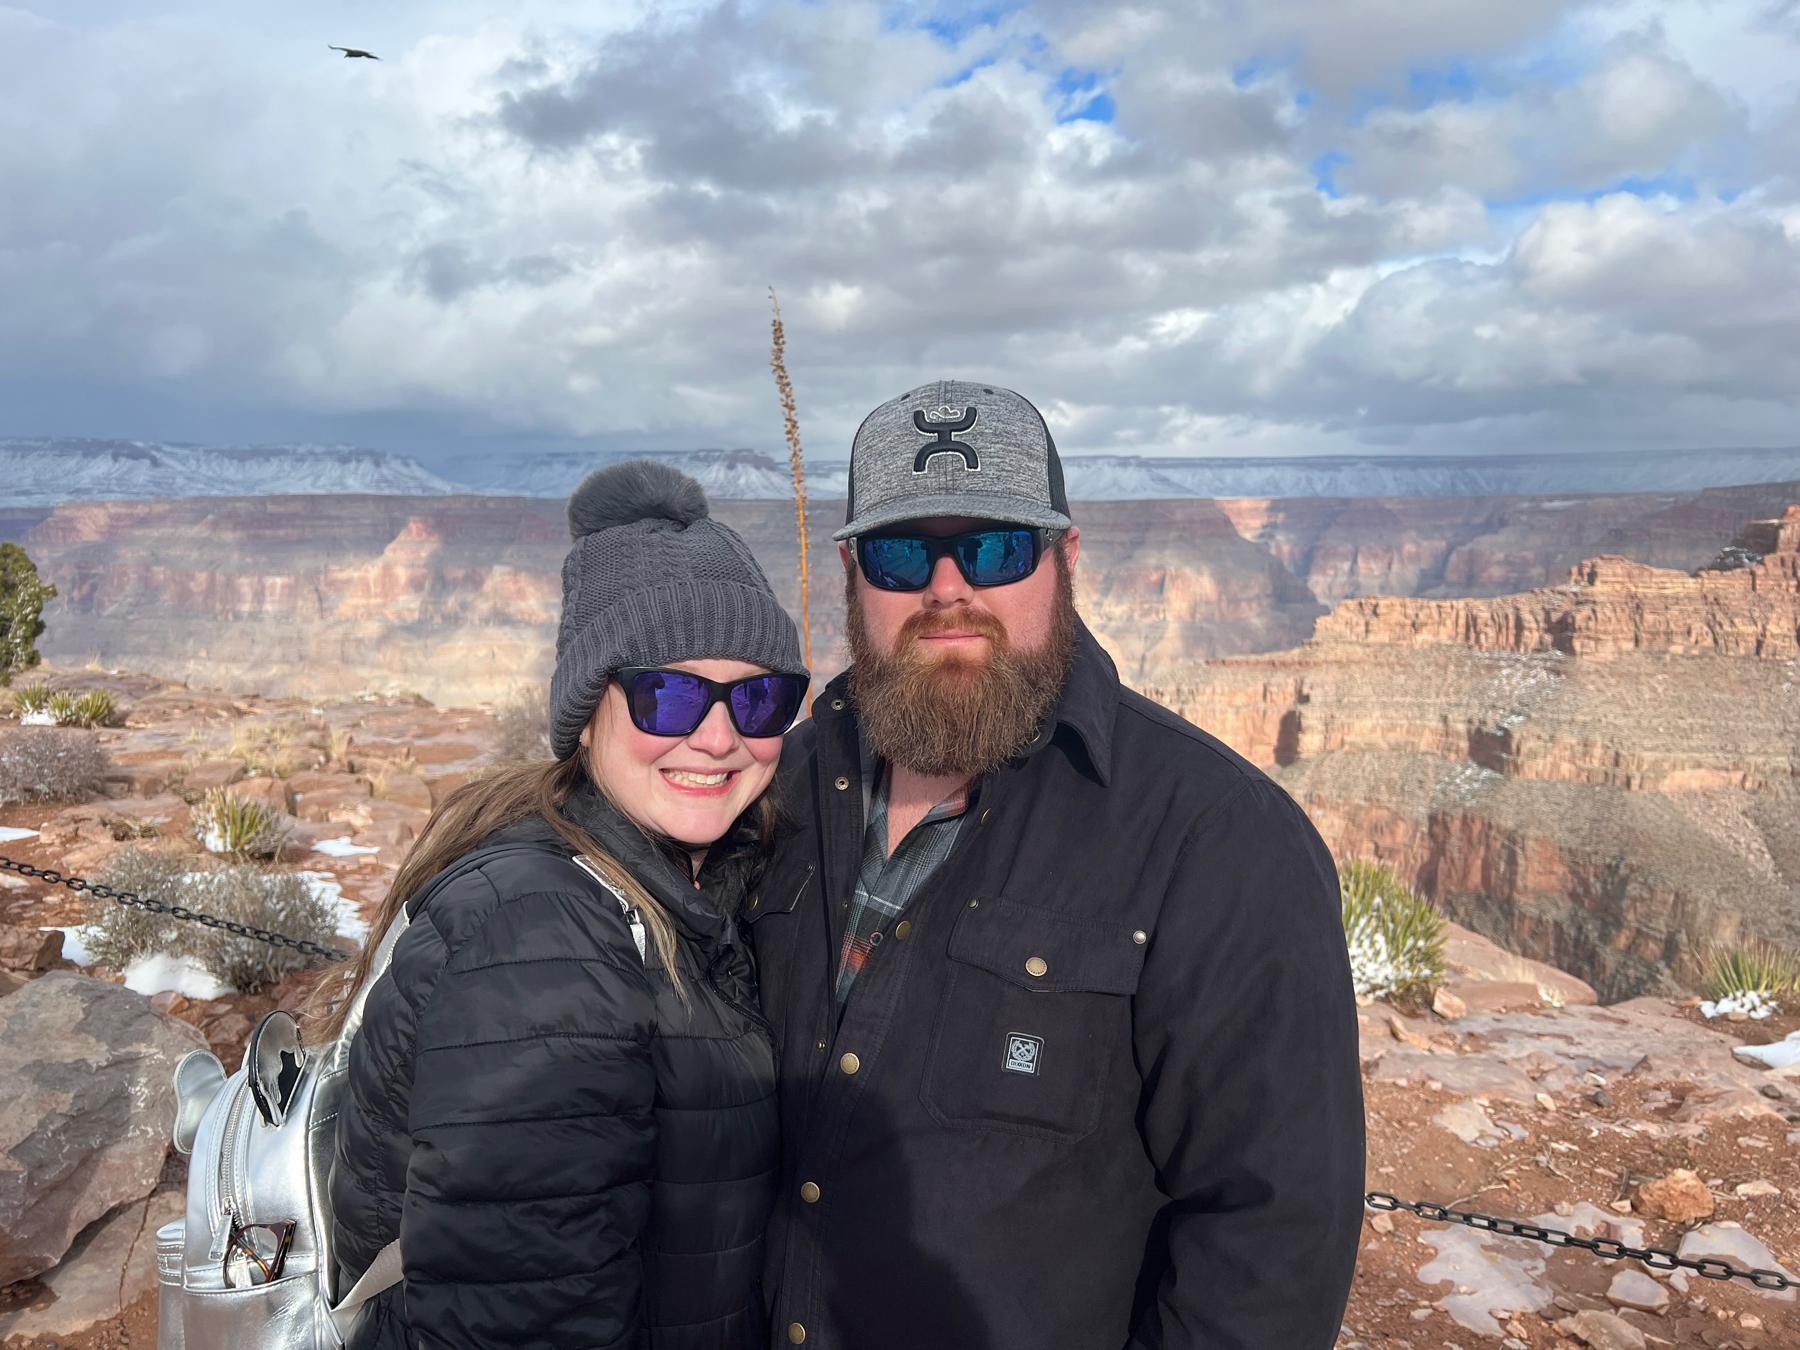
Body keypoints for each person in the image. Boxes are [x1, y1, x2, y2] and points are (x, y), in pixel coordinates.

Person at [747, 381, 1366, 1350]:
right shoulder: (775, 790)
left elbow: (1269, 1251)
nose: (947, 589)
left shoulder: (1218, 841)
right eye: (900, 552)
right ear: (851, 573)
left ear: (1065, 559)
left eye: (995, 548)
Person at [321, 461, 809, 1349]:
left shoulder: (683, 886)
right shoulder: (543, 939)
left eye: (759, 697)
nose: (718, 736)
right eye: (668, 694)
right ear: (586, 712)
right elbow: (520, 1319)